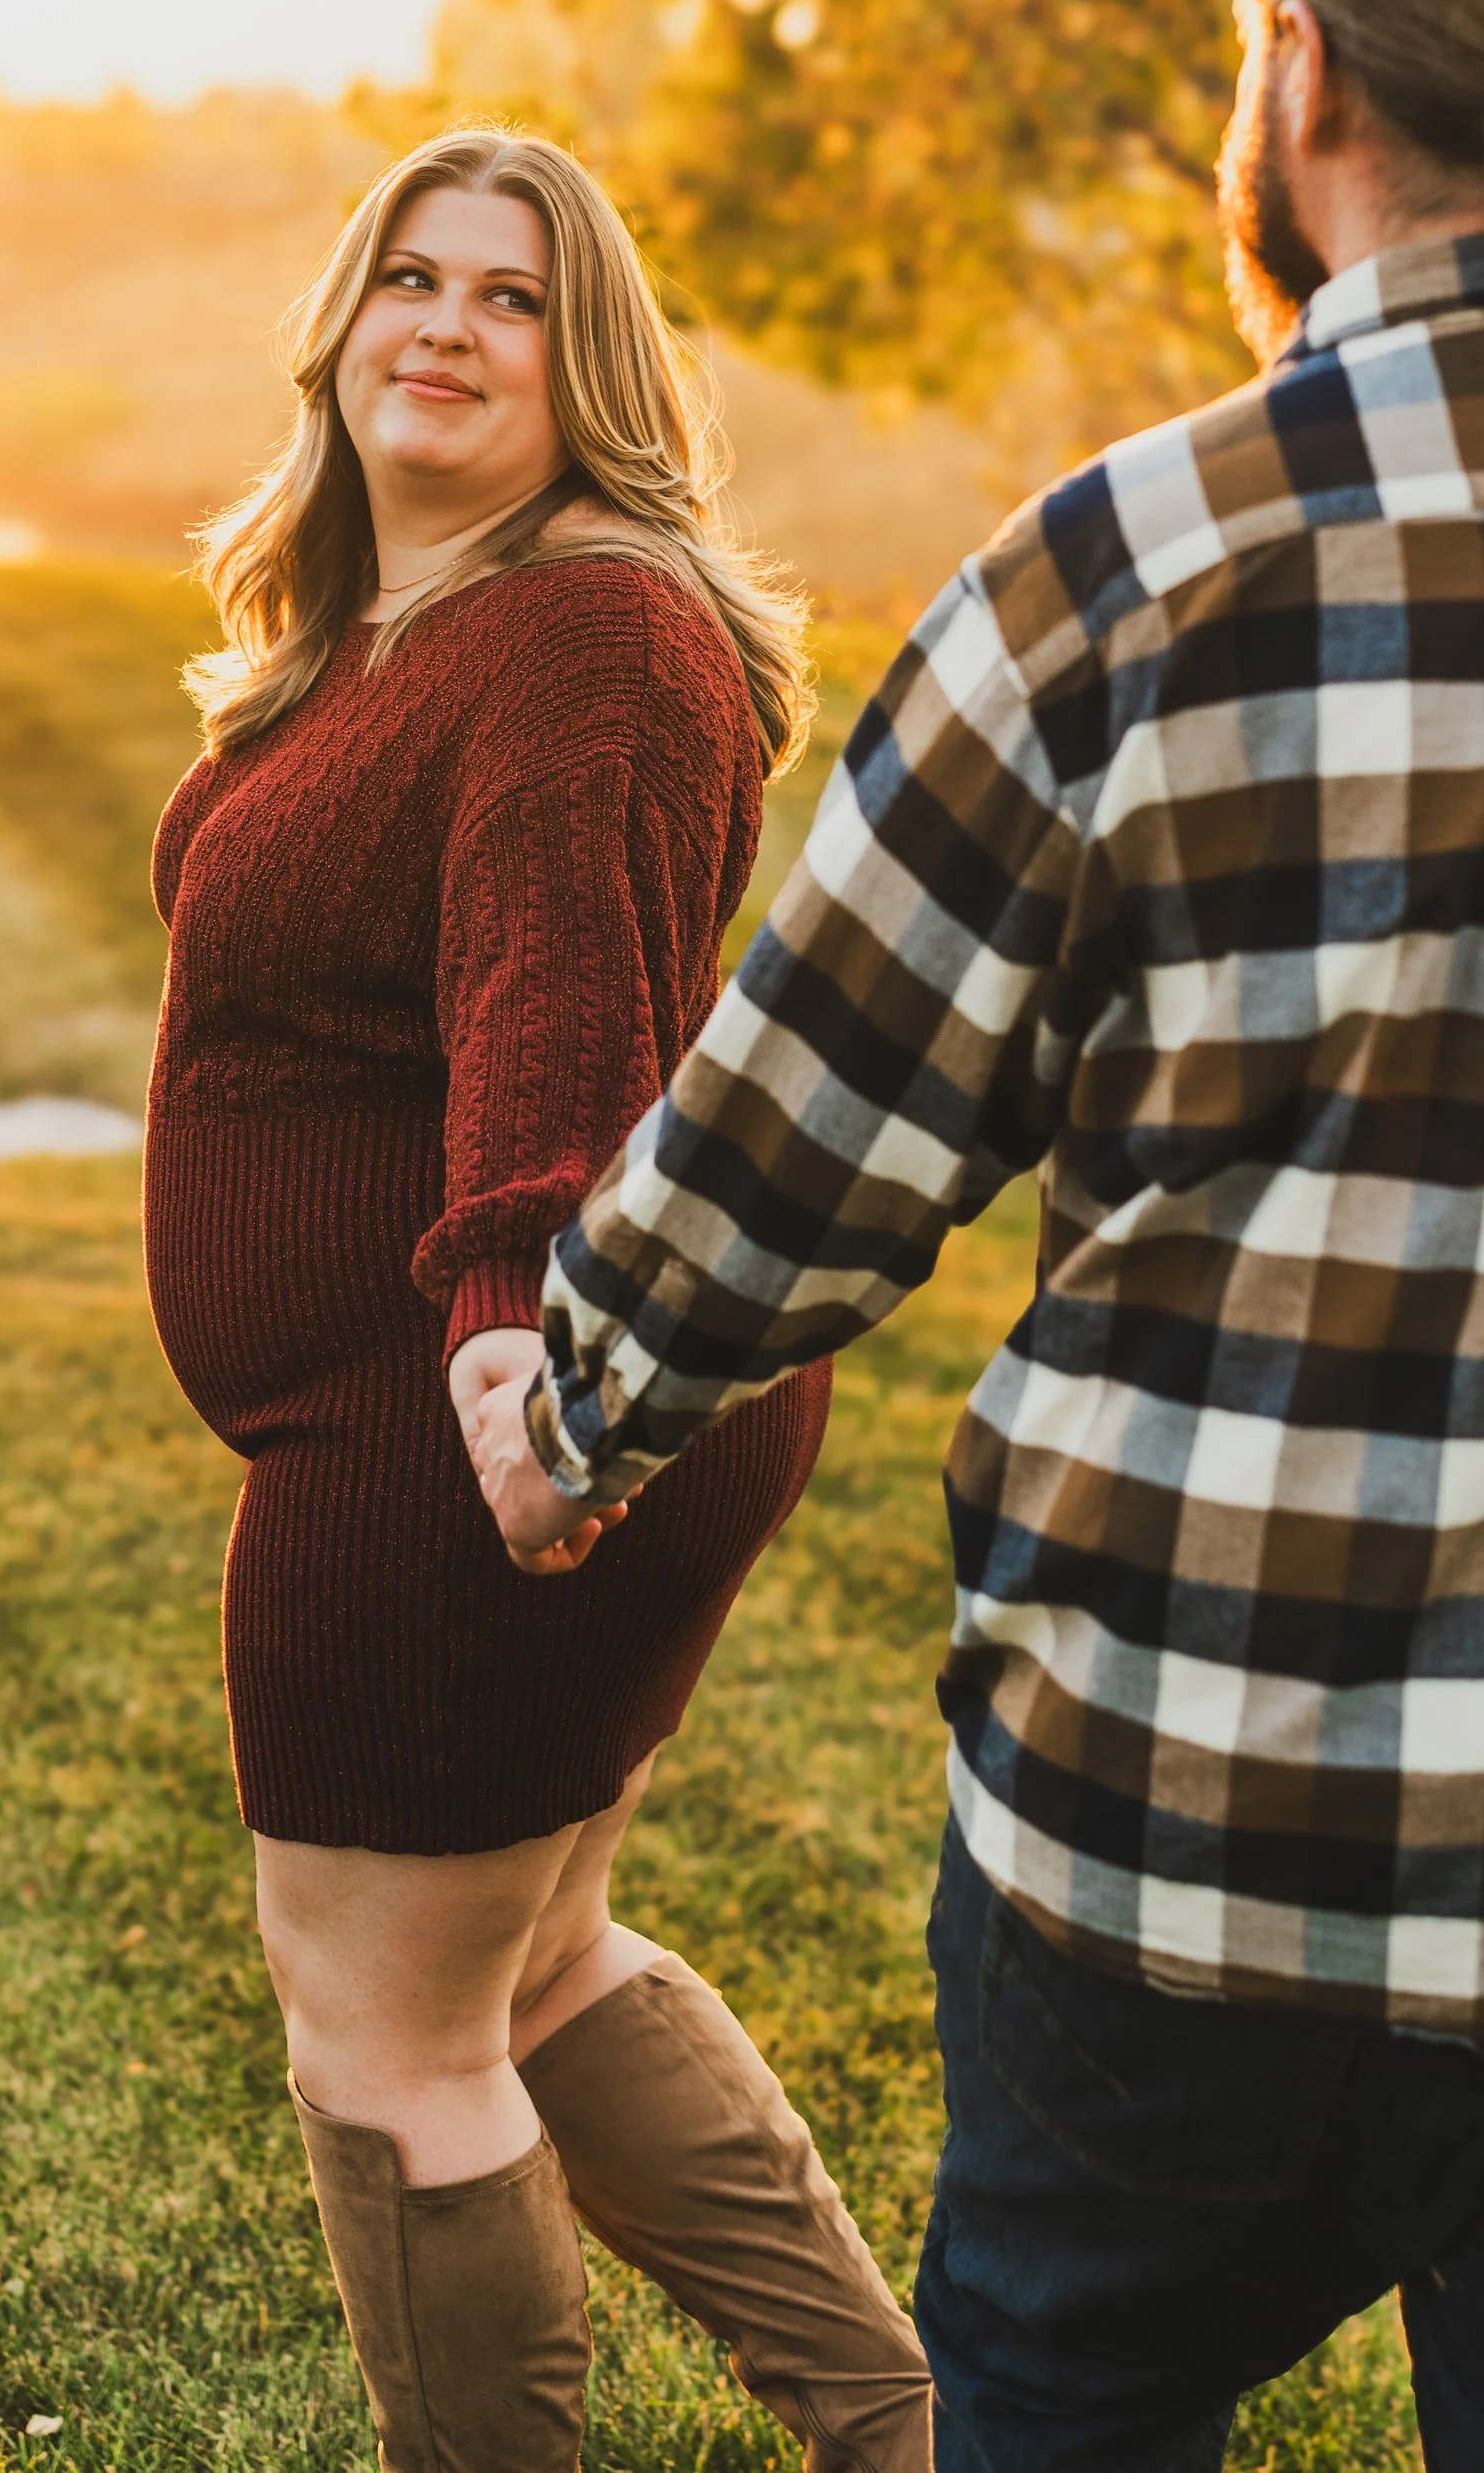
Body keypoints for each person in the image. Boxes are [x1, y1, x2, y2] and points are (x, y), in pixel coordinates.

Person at [466, 0, 1484, 2473]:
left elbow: (791, 1145)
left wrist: (579, 1406)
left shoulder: (1116, 573)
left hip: (1175, 1879)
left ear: (1300, 69)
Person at [142, 121, 932, 2473]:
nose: (445, 327)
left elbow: (551, 995)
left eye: (508, 296)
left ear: (587, 364)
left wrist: (506, 1333)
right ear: (342, 321)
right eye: (410, 276)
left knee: (389, 2036)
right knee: (539, 1954)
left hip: (473, 1419)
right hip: (492, 1395)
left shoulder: (582, 630)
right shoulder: (398, 622)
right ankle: (914, 2435)